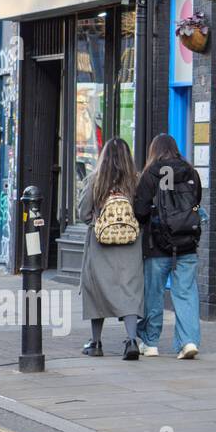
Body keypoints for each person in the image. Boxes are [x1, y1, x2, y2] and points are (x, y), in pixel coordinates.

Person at [134, 134, 203, 360]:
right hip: (187, 243)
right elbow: (196, 203)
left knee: (153, 293)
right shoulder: (191, 172)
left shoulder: (150, 174)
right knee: (186, 293)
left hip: (157, 245)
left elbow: (141, 211)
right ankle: (189, 341)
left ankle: (150, 342)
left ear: (154, 150)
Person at [78, 138, 145, 361]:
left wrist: (97, 221)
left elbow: (83, 212)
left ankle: (96, 343)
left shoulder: (96, 180)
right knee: (129, 290)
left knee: (97, 291)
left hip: (101, 245)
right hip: (130, 245)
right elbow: (143, 211)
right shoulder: (135, 181)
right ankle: (132, 340)